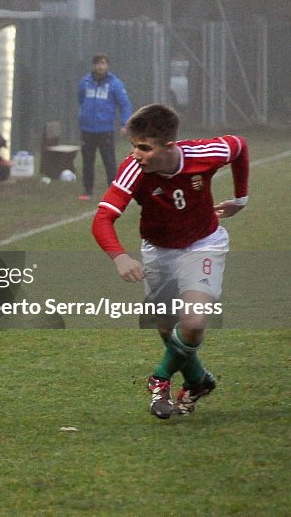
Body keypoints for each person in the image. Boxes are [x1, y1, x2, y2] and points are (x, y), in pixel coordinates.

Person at [92, 103, 248, 420]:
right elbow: (102, 219)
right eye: (133, 146)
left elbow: (239, 146)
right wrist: (120, 257)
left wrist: (240, 199)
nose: (136, 154)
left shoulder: (205, 154)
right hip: (158, 250)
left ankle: (159, 379)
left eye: (144, 148)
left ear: (168, 146)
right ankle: (197, 381)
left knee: (192, 324)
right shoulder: (133, 170)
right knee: (167, 328)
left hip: (203, 244)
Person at [78, 53, 132, 201]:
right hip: (87, 129)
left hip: (105, 129)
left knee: (109, 161)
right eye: (97, 63)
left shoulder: (115, 84)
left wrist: (124, 123)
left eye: (103, 63)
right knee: (87, 161)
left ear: (107, 65)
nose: (100, 66)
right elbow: (81, 99)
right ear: (93, 65)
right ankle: (88, 190)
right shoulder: (85, 82)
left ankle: (113, 191)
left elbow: (125, 104)